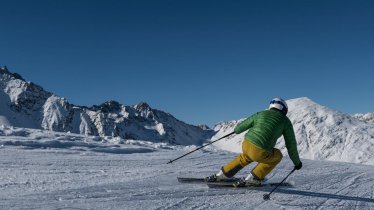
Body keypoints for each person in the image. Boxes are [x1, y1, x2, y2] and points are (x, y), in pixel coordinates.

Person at [205, 97, 302, 187]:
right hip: (261, 150)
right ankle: (254, 178)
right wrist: (297, 163)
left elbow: (241, 127)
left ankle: (222, 175)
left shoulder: (260, 114)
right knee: (277, 155)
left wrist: (236, 130)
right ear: (283, 109)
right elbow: (291, 145)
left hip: (246, 144)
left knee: (245, 157)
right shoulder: (286, 122)